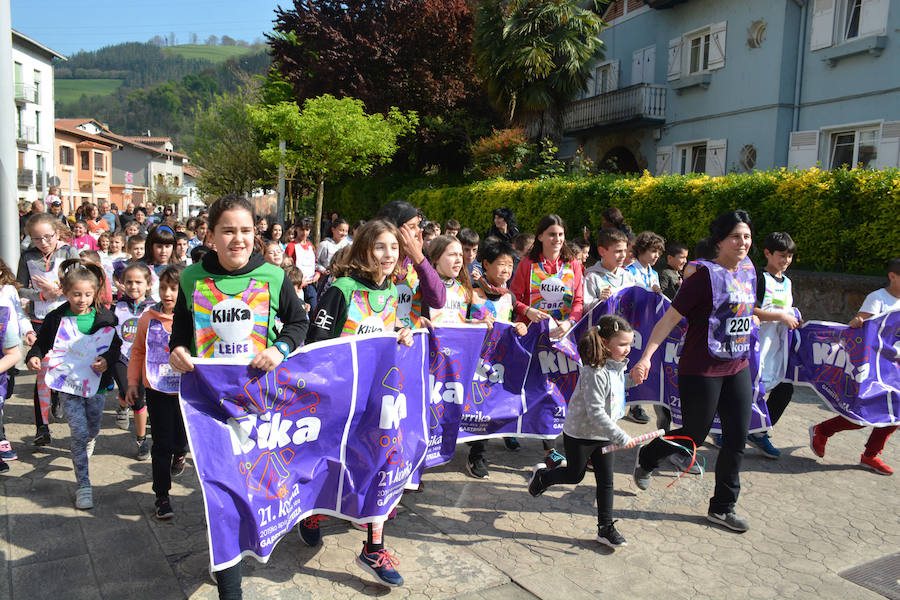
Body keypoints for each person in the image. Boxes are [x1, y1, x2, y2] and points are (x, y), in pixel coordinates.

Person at [169, 194, 309, 598]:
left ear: (256, 234)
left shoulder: (273, 276)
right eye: (228, 230)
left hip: (260, 402)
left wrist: (278, 349)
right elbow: (180, 332)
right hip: (210, 404)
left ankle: (252, 539)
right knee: (220, 491)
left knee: (253, 483)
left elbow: (298, 324)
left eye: (246, 230)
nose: (238, 239)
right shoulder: (191, 278)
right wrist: (178, 351)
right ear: (210, 235)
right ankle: (230, 581)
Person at [631, 209, 757, 533]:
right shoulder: (703, 277)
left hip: (737, 365)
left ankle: (722, 507)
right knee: (694, 435)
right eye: (735, 236)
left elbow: (746, 310)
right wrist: (646, 358)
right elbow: (668, 321)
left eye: (746, 236)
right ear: (720, 241)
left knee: (737, 437)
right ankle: (649, 456)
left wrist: (767, 318)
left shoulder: (749, 271)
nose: (743, 242)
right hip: (701, 368)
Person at [302, 219, 413, 587]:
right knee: (327, 460)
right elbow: (317, 343)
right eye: (380, 247)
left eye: (394, 248)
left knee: (382, 461)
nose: (388, 255)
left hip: (375, 399)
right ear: (364, 249)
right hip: (337, 399)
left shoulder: (395, 290)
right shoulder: (342, 289)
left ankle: (373, 547)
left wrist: (403, 334)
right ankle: (312, 511)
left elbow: (388, 333)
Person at [527, 315, 638, 547]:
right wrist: (620, 436)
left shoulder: (616, 366)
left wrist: (632, 380)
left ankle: (605, 528)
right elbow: (596, 412)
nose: (628, 349)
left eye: (630, 344)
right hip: (581, 435)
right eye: (622, 344)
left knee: (606, 481)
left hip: (604, 435)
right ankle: (543, 476)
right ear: (606, 343)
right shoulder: (594, 372)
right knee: (574, 475)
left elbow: (615, 388)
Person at [26, 259, 121, 509]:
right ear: (65, 292)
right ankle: (84, 486)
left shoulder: (105, 317)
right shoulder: (55, 318)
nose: (82, 299)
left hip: (97, 386)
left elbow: (115, 347)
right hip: (68, 386)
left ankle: (91, 438)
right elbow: (42, 342)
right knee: (78, 434)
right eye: (76, 294)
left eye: (88, 294)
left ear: (95, 293)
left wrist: (106, 361)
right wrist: (34, 355)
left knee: (92, 429)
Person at [809, 257, 900, 475]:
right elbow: (860, 327)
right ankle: (822, 430)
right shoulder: (877, 298)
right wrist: (857, 321)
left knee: (895, 413)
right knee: (864, 413)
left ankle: (871, 455)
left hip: (894, 365)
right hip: (874, 366)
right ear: (892, 276)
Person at [510, 214, 585, 468]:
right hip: (534, 335)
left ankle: (561, 444)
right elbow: (514, 297)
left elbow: (578, 300)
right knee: (539, 388)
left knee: (562, 389)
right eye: (552, 234)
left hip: (563, 335)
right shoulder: (527, 265)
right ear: (540, 236)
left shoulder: (572, 263)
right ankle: (546, 447)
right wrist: (527, 311)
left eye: (561, 234)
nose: (557, 239)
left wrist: (570, 321)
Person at [465, 240, 530, 476]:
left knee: (487, 408)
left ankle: (477, 456)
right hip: (469, 363)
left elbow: (511, 325)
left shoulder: (508, 298)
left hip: (494, 366)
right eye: (501, 264)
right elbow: (456, 323)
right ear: (485, 264)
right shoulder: (471, 293)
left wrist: (519, 328)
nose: (506, 270)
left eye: (510, 266)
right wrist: (474, 324)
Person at [734, 232, 801, 459]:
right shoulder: (760, 279)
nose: (786, 260)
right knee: (751, 390)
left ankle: (758, 431)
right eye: (782, 255)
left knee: (784, 388)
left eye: (790, 256)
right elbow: (751, 310)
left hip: (778, 347)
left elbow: (787, 310)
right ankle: (730, 430)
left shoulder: (788, 282)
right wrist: (781, 317)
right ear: (767, 254)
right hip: (756, 345)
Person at [127, 265, 187, 518]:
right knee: (161, 444)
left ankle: (180, 453)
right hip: (157, 389)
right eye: (163, 287)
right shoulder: (147, 318)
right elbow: (138, 351)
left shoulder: (193, 318)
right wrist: (132, 383)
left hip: (186, 393)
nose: (168, 293)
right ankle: (162, 496)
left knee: (181, 440)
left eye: (174, 288)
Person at [17, 213, 81, 445]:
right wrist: (42, 294)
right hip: (40, 321)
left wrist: (59, 289)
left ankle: (60, 400)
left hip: (67, 318)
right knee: (42, 374)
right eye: (36, 239)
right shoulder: (27, 256)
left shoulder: (68, 252)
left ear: (57, 233)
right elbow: (20, 289)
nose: (43, 243)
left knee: (65, 369)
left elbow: (80, 283)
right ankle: (42, 428)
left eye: (47, 237)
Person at [375, 201, 447, 330]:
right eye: (411, 226)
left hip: (411, 343)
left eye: (418, 225)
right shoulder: (378, 261)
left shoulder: (417, 262)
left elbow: (438, 300)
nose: (418, 231)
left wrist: (419, 258)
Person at [111, 263, 156, 459]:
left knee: (138, 398)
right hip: (121, 358)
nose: (133, 286)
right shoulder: (117, 307)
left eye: (138, 282)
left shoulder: (155, 308)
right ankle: (122, 404)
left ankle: (141, 439)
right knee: (125, 391)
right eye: (128, 282)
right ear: (122, 284)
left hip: (144, 360)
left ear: (148, 284)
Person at [0, 258, 33, 465]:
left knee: (6, 393)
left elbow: (19, 314)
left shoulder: (9, 291)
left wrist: (28, 330)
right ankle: (2, 438)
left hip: (7, 348)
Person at [583, 228, 637, 308]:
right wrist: (600, 301)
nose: (623, 255)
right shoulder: (592, 277)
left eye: (625, 251)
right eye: (618, 251)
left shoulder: (628, 276)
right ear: (602, 251)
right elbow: (585, 307)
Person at [286, 217, 319, 312]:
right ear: (296, 229)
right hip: (297, 285)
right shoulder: (291, 246)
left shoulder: (310, 246)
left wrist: (317, 274)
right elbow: (288, 267)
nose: (304, 233)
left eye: (307, 230)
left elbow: (314, 263)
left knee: (313, 309)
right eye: (302, 230)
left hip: (310, 284)